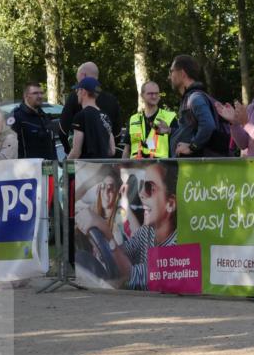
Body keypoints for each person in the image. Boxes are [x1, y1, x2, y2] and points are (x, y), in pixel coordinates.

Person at [76, 162, 178, 290]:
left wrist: (107, 234)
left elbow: (129, 275)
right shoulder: (148, 231)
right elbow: (124, 252)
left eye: (149, 188)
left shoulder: (177, 247)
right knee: (82, 259)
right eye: (142, 187)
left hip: (154, 307)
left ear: (170, 204)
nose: (141, 193)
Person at [168, 55, 227, 158]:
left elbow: (208, 125)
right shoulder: (189, 98)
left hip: (199, 167)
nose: (169, 76)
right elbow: (189, 131)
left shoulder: (195, 98)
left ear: (182, 73)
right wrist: (170, 131)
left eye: (171, 71)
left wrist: (191, 147)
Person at [59, 62, 122, 154]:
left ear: (83, 75)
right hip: (105, 159)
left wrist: (69, 152)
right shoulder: (111, 101)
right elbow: (117, 133)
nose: (77, 91)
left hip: (82, 159)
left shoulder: (75, 99)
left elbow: (63, 130)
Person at [124, 81, 178, 159]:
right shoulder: (133, 119)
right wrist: (122, 168)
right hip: (136, 167)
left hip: (161, 167)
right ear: (142, 96)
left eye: (156, 93)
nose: (154, 96)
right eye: (150, 93)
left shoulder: (170, 117)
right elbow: (127, 149)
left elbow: (180, 141)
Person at [66, 77, 115, 160]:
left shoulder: (81, 116)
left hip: (87, 169)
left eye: (77, 90)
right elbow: (111, 151)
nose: (76, 93)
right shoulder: (105, 116)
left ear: (83, 92)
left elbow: (76, 152)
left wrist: (65, 167)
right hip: (104, 169)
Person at [9, 82, 57, 160]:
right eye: (35, 93)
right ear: (26, 96)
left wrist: (56, 163)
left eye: (41, 93)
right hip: (27, 169)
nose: (40, 96)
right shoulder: (16, 117)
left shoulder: (44, 116)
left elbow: (52, 145)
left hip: (48, 168)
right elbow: (9, 147)